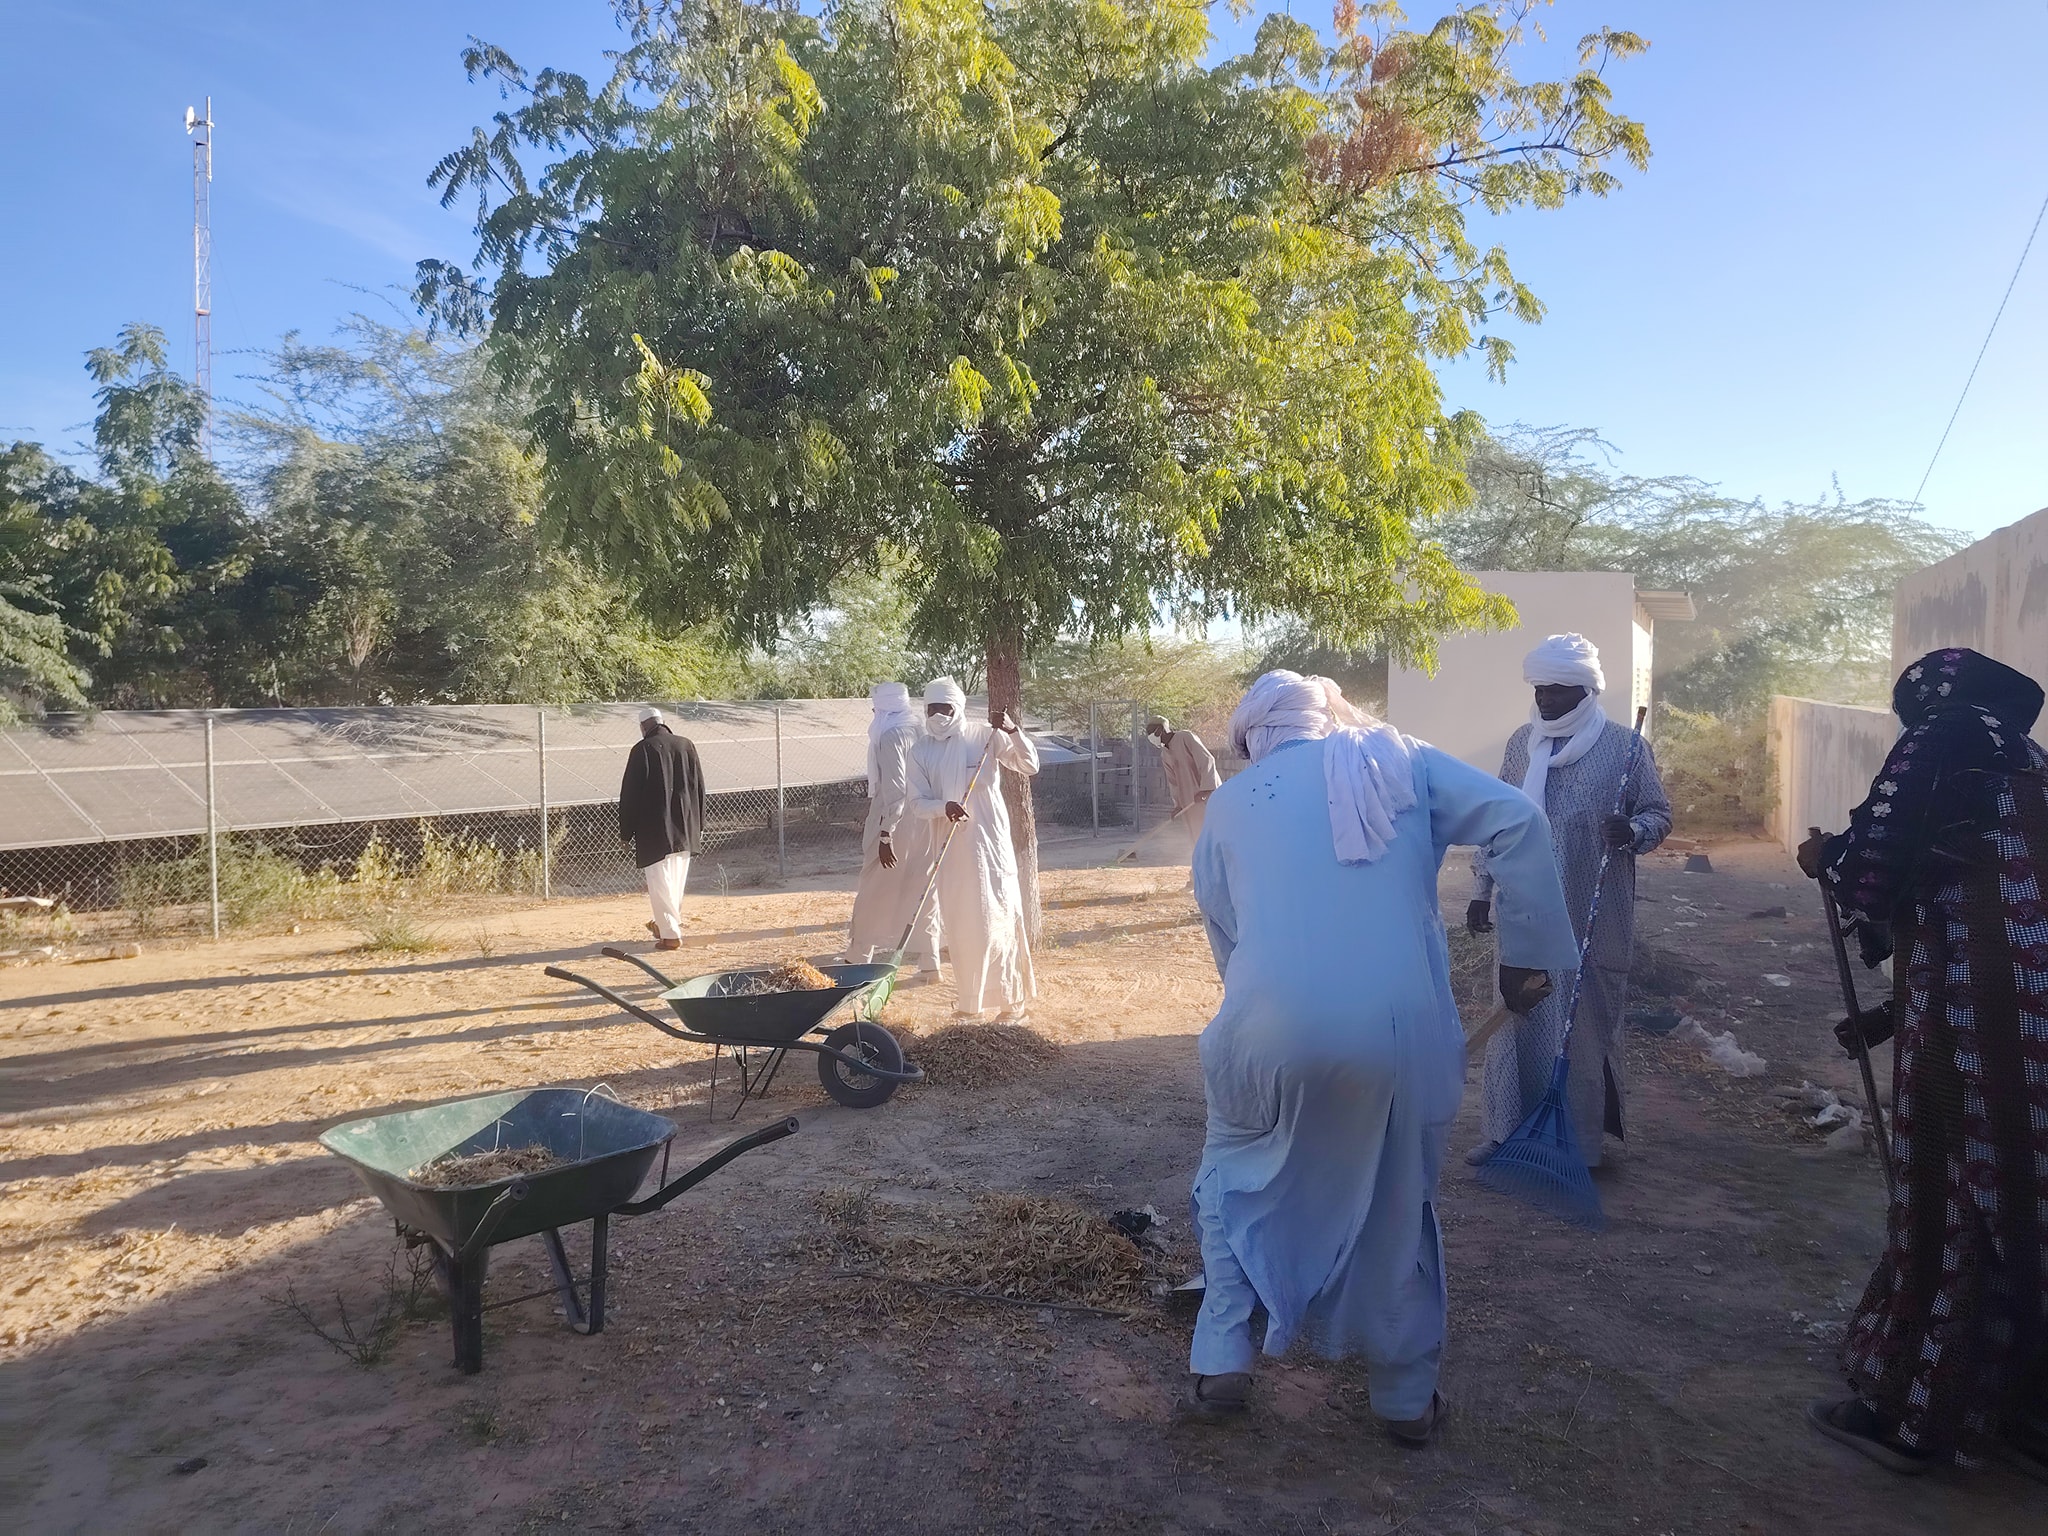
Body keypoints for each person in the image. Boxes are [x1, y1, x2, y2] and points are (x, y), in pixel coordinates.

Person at [1186, 671, 1578, 1439]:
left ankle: (1220, 1360)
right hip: (1399, 1034)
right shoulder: (1401, 762)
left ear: (1252, 739)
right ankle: (1403, 1399)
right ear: (1325, 719)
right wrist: (1522, 958)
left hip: (1261, 1031)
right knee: (1398, 1200)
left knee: (1230, 1169)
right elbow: (1520, 820)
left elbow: (1224, 926)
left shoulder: (1233, 801)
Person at [1797, 648, 2048, 1480]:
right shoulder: (2031, 764)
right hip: (2031, 1046)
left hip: (1960, 1033)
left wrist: (1824, 860)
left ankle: (1912, 1414)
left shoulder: (1938, 738)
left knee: (1947, 1200)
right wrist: (1882, 1016)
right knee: (2023, 1205)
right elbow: (1985, 904)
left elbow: (1875, 869)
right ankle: (2023, 1413)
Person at [1466, 634, 1670, 1169]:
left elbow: (1658, 815)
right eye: (1541, 691)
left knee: (1581, 1025)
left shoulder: (1626, 749)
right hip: (1524, 909)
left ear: (1586, 690)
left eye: (1559, 692)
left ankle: (1579, 1147)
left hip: (1593, 914)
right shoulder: (1521, 744)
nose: (1547, 702)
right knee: (1519, 1013)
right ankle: (1505, 1133)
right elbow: (1498, 823)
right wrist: (1481, 890)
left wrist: (1630, 830)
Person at [907, 677, 1041, 1022]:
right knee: (962, 922)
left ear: (959, 709)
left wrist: (1011, 730)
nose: (938, 716)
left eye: (945, 709)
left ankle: (1012, 1004)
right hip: (950, 847)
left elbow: (1029, 765)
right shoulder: (920, 750)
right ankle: (971, 1003)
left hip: (989, 845)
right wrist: (943, 807)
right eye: (932, 709)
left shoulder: (984, 737)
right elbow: (917, 802)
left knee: (997, 917)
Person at [843, 682, 942, 972]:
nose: (874, 713)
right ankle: (930, 962)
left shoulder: (892, 735)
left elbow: (896, 788)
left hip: (897, 823)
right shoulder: (922, 730)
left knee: (874, 889)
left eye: (876, 708)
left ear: (884, 708)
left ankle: (858, 957)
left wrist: (886, 833)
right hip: (926, 820)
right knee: (922, 889)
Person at [618, 706, 706, 951]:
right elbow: (699, 787)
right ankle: (666, 925)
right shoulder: (686, 745)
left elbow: (630, 794)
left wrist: (626, 832)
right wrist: (699, 824)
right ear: (662, 722)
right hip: (686, 827)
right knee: (675, 882)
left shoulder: (642, 749)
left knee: (660, 883)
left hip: (655, 829)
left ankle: (670, 935)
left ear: (644, 727)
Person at [1146, 716, 1223, 852]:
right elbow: (1173, 782)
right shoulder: (1165, 754)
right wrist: (1178, 805)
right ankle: (1200, 865)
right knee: (1195, 832)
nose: (1150, 737)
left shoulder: (1185, 737)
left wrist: (1206, 790)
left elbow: (1207, 760)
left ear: (1160, 730)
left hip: (1206, 795)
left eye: (1152, 732)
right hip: (1189, 800)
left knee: (1212, 829)